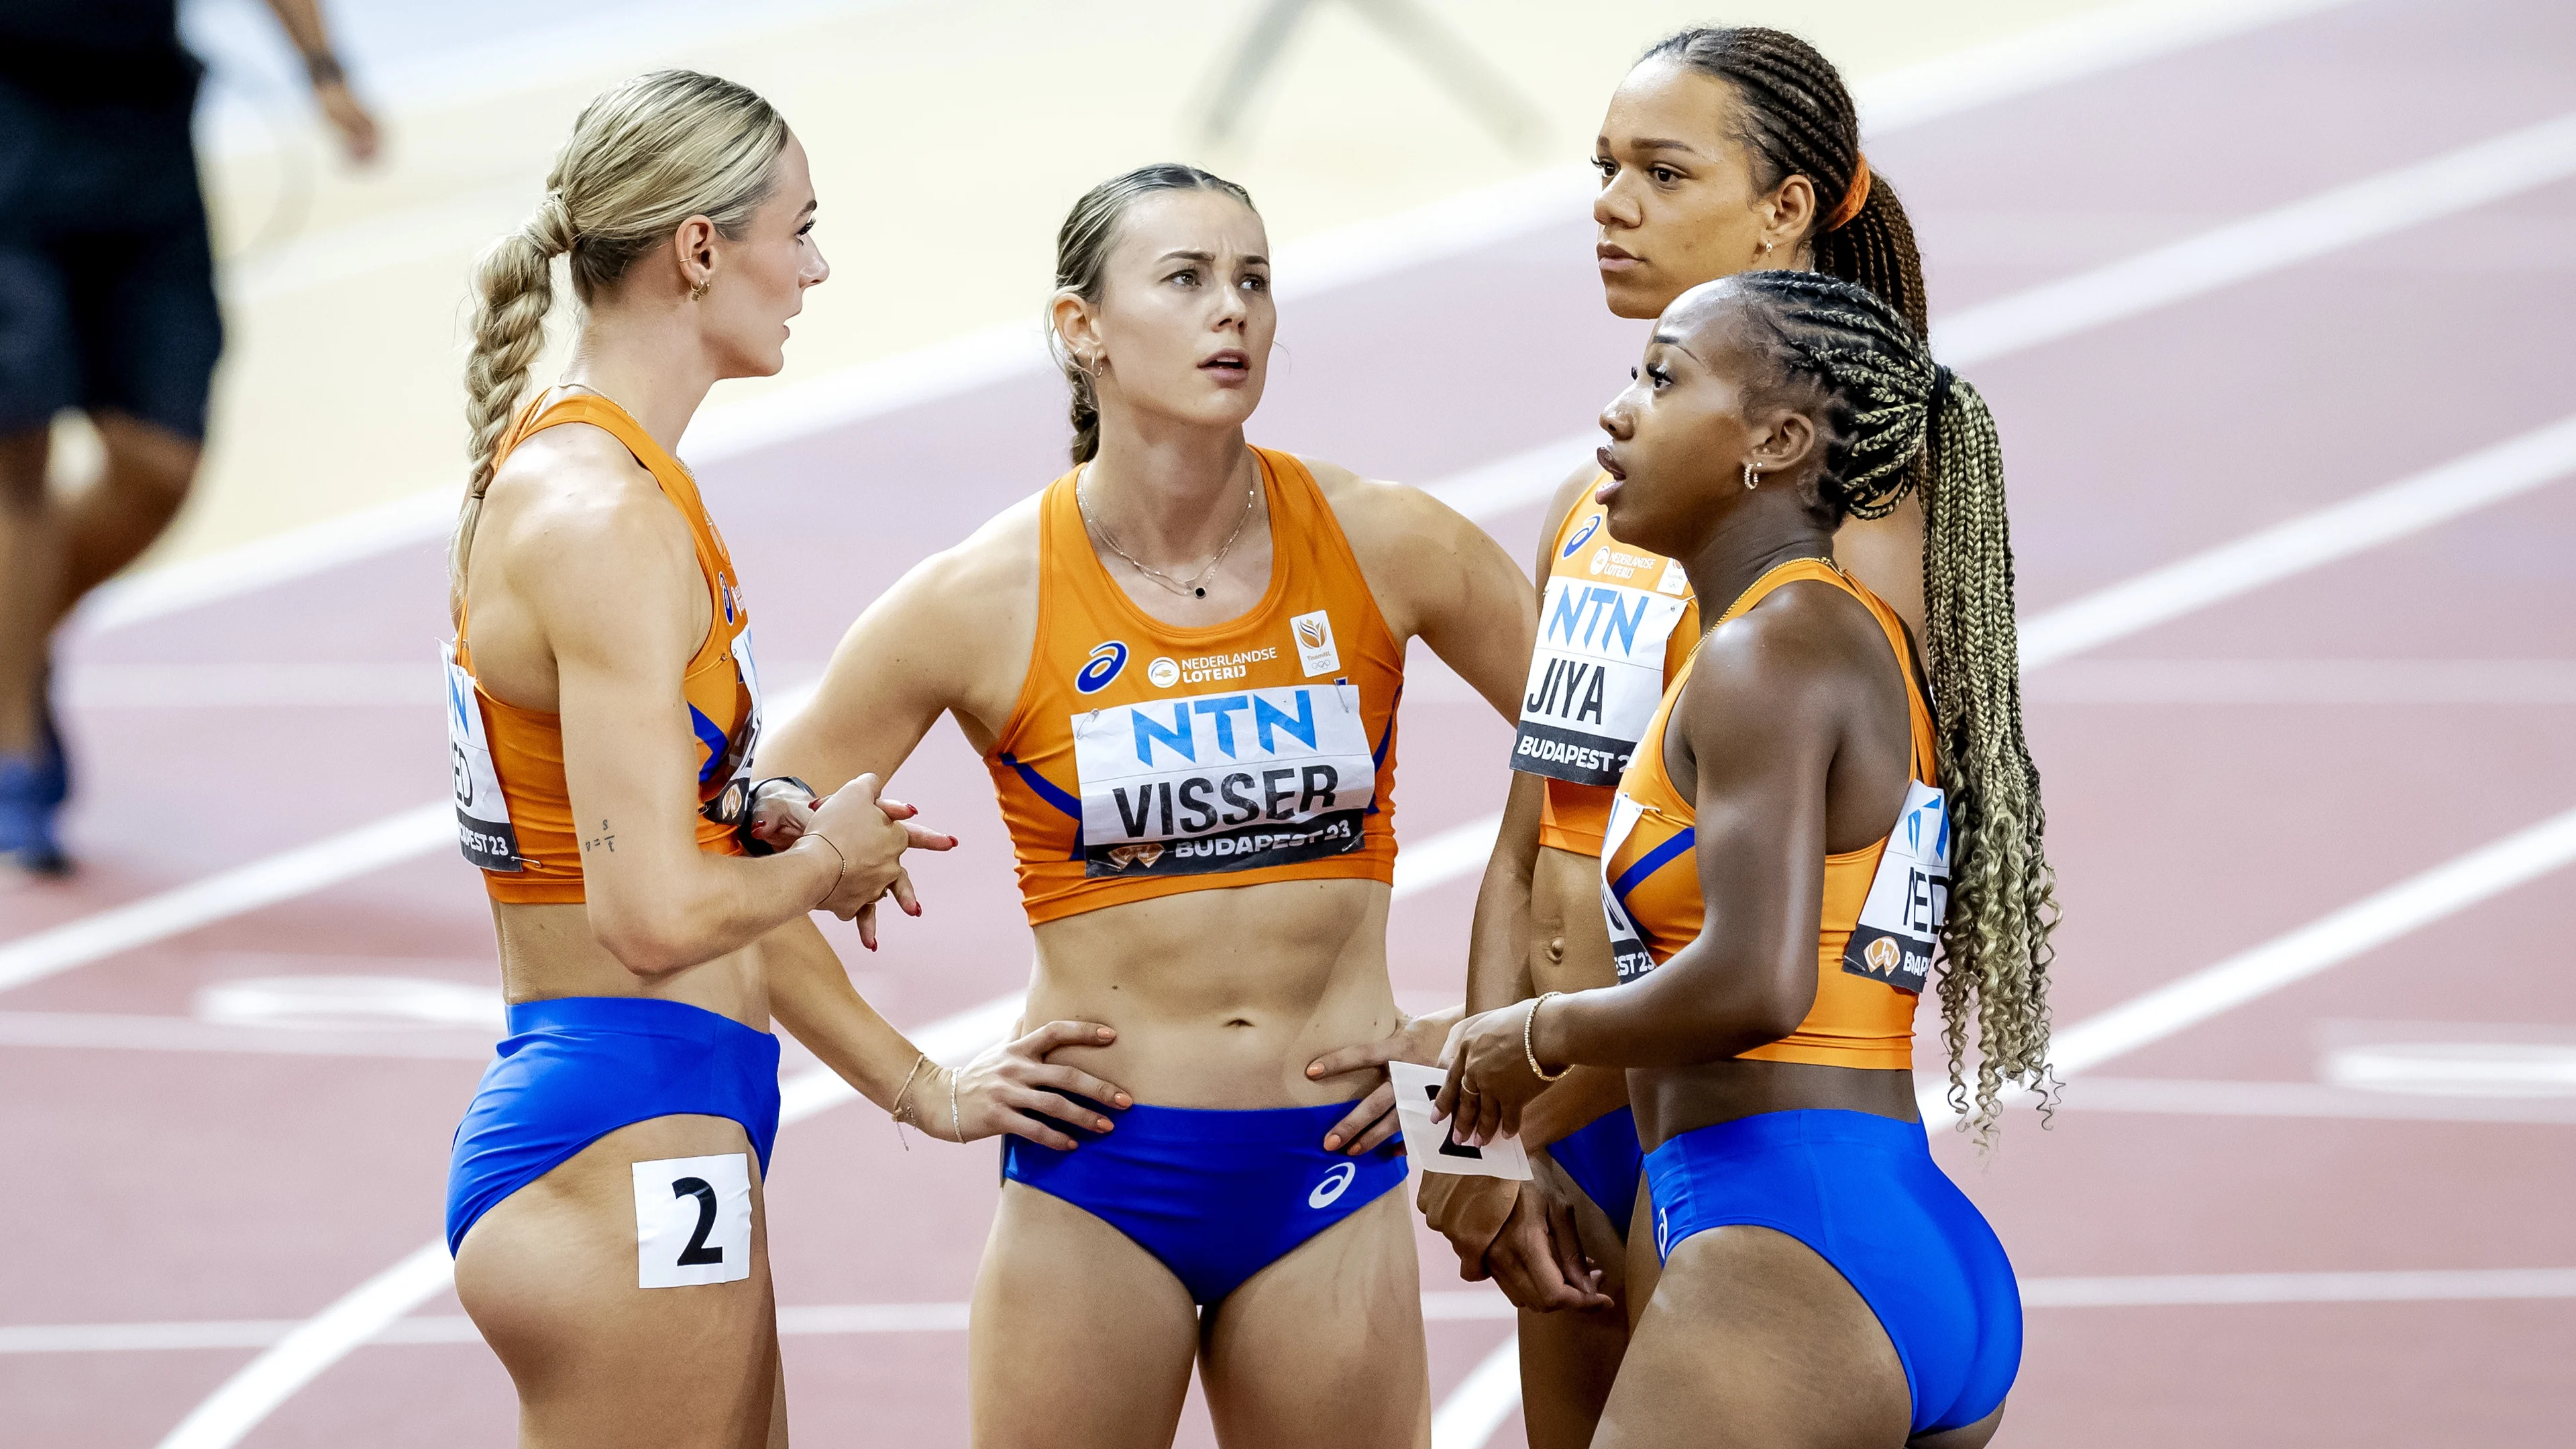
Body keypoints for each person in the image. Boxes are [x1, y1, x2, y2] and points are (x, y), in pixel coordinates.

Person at [753, 162, 1538, 1448]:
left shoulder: (1391, 541)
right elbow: (731, 858)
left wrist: (1497, 1064)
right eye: (1185, 279)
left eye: (1255, 280)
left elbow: (1623, 778)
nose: (1233, 310)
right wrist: (916, 1086)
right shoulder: (979, 597)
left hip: (1331, 1164)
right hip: (1100, 1177)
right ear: (1084, 330)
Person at [440, 72, 1118, 1449]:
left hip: (662, 1113)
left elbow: (642, 841)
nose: (814, 268)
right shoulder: (603, 519)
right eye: (798, 229)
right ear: (701, 249)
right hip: (625, 1129)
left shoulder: (604, 478)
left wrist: (758, 816)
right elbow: (652, 917)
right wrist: (824, 863)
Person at [1371, 28, 1949, 1446]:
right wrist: (1484, 1142)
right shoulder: (1599, 503)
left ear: (1789, 209)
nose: (1610, 205)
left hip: (1714, 1129)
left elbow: (1822, 907)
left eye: (1661, 170)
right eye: (1604, 169)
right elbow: (1528, 844)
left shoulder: (1848, 545)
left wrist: (1533, 1088)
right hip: (1563, 1127)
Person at [1436, 269, 2057, 1447]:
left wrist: (1530, 1036)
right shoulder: (1819, 633)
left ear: (1774, 440)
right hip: (1865, 1229)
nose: (1619, 409)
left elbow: (1757, 981)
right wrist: (1476, 1102)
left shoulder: (1767, 653)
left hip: (1788, 1239)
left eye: (1662, 379)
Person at [0, 0, 378, 876]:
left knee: (162, 462)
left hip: (144, 140)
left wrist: (325, 71)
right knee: (17, 452)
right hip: (11, 124)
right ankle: (13, 757)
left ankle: (11, 648)